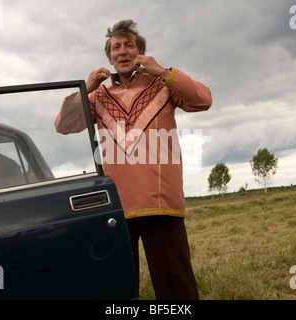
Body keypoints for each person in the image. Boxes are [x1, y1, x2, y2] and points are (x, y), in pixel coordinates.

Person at [55, 19, 212, 300]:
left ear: (141, 53)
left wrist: (162, 71)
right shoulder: (97, 96)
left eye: (129, 45)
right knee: (120, 284)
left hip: (161, 202)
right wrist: (85, 88)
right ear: (109, 57)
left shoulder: (162, 84)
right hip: (116, 205)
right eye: (116, 47)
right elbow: (64, 125)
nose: (123, 51)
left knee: (176, 284)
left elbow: (203, 100)